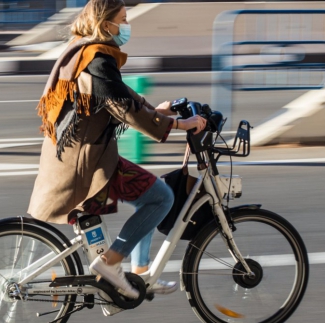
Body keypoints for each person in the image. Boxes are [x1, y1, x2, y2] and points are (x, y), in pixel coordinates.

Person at [27, 0, 206, 305]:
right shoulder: (96, 57)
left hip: (80, 154)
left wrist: (154, 109)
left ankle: (140, 271)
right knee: (161, 197)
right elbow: (123, 108)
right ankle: (110, 264)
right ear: (105, 22)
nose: (126, 26)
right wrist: (179, 123)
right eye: (122, 19)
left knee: (150, 195)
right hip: (85, 162)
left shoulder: (84, 48)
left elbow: (117, 94)